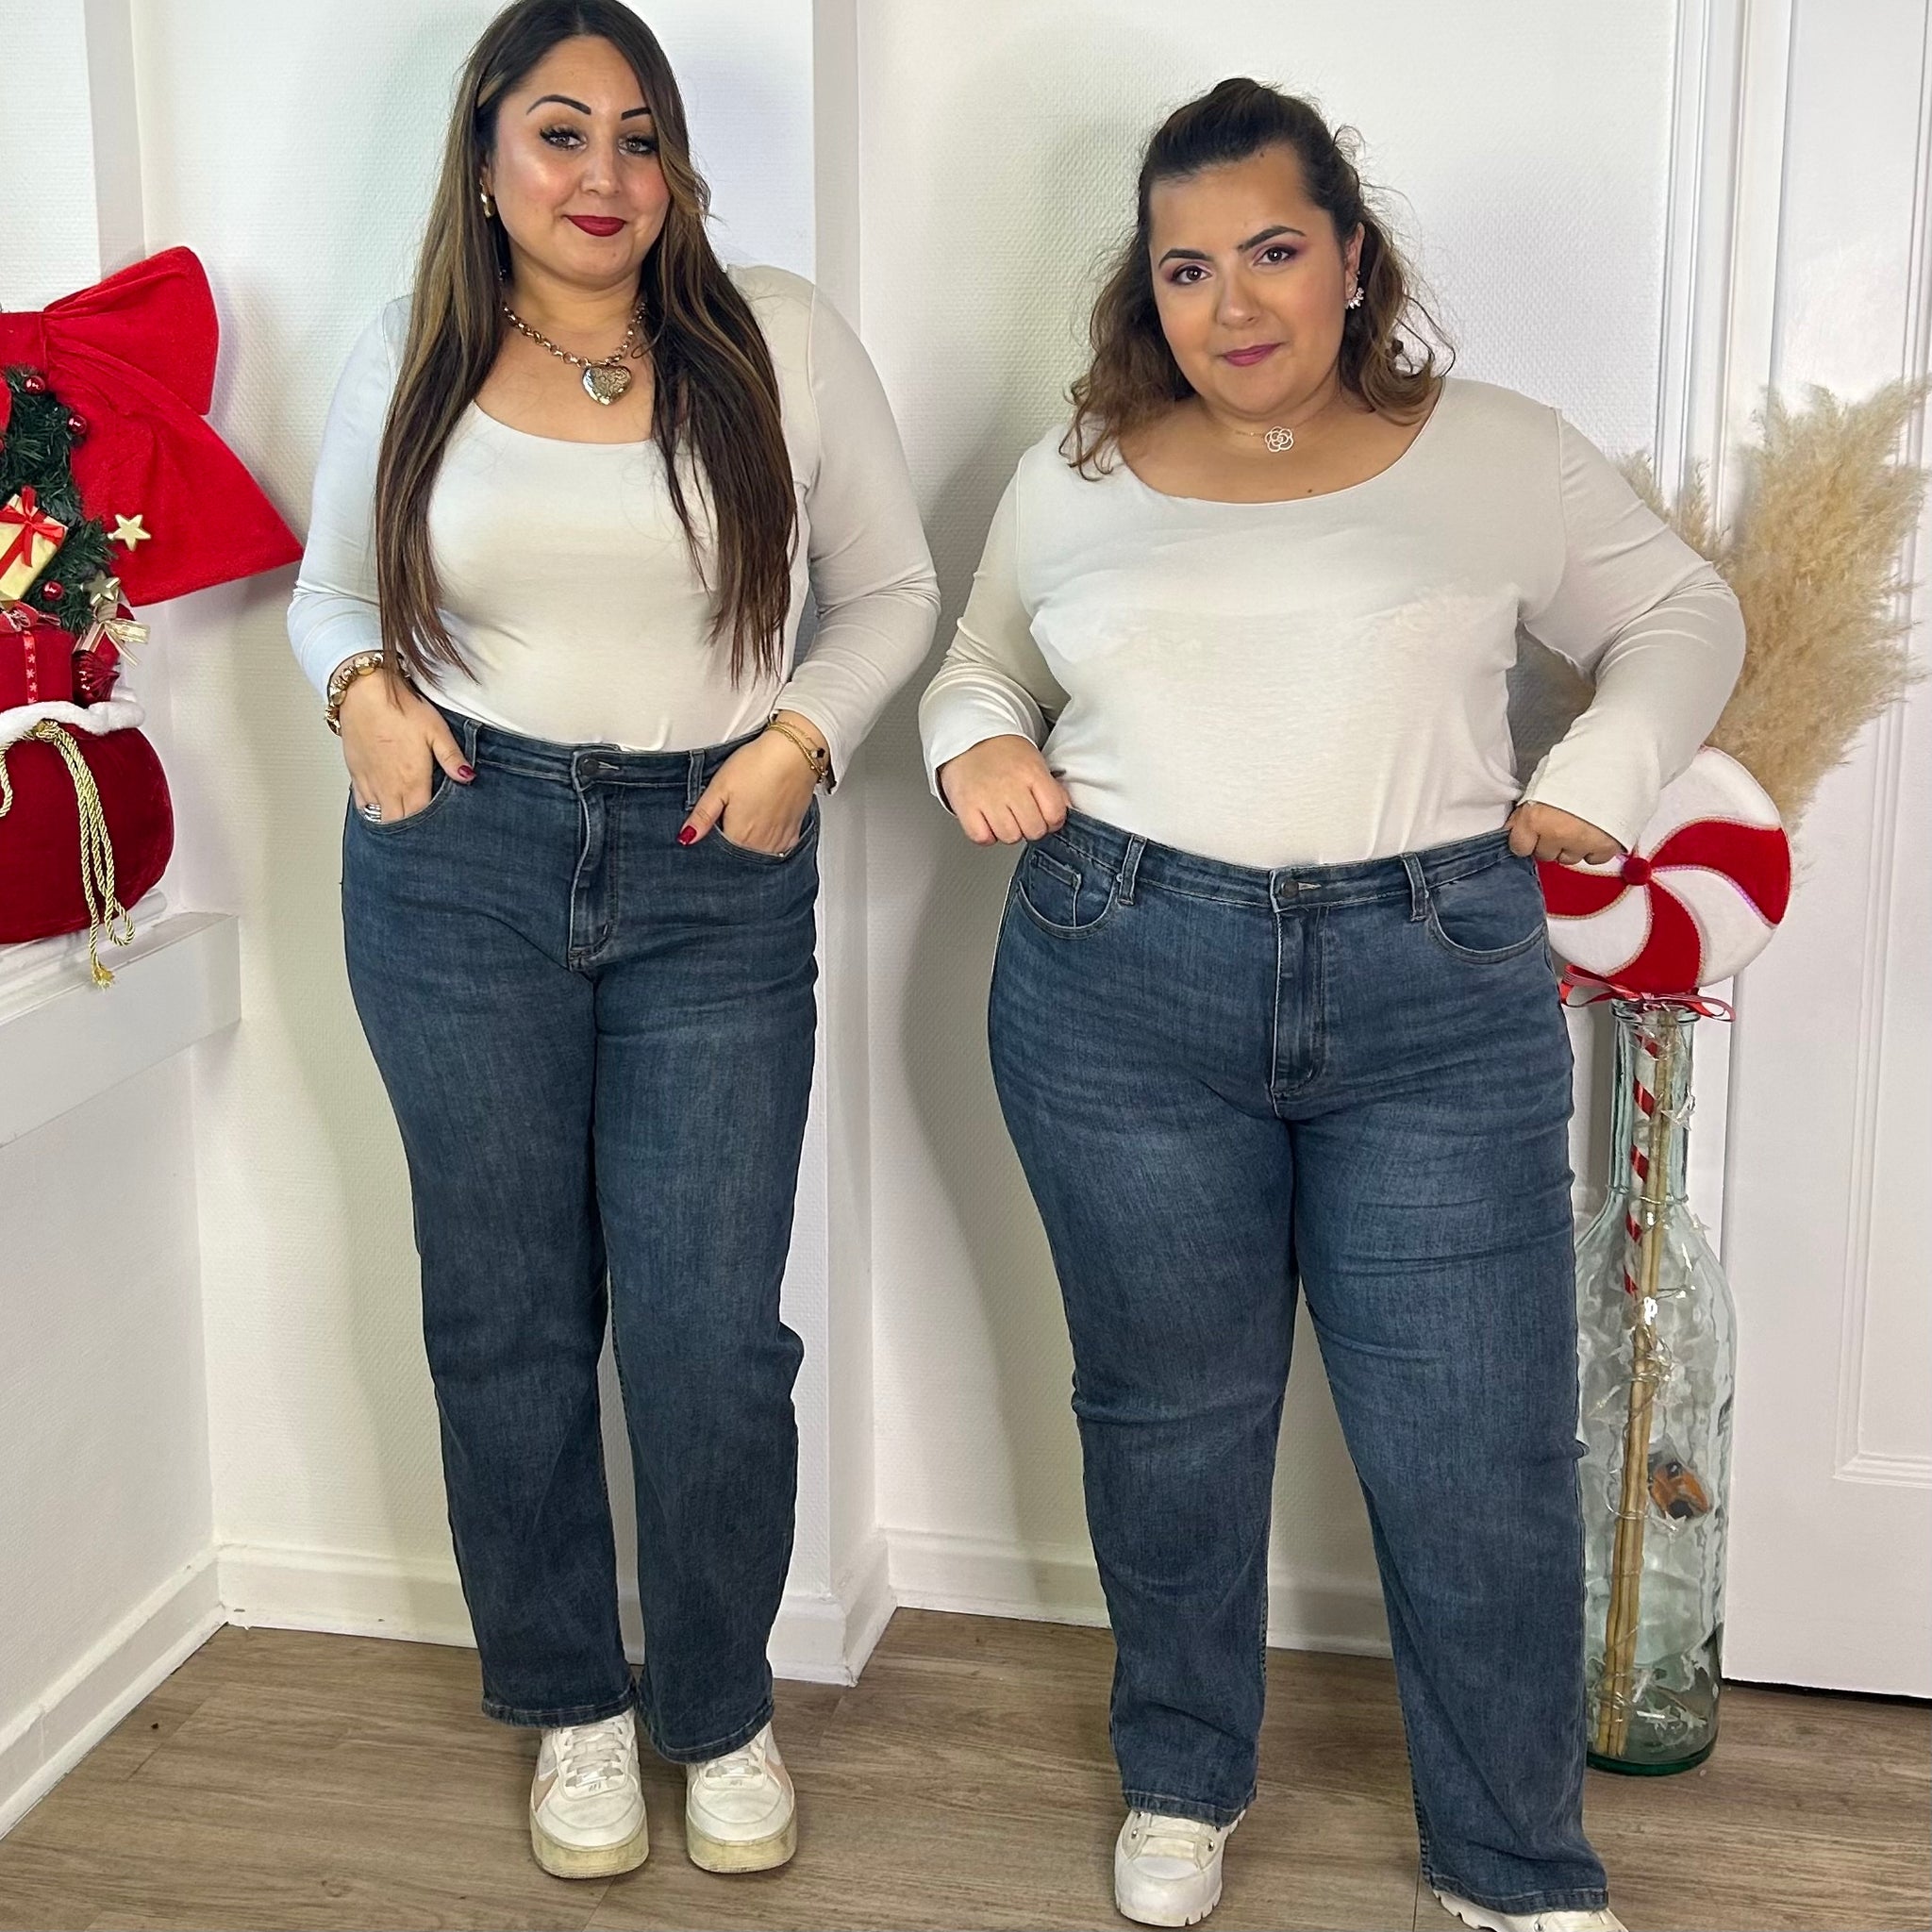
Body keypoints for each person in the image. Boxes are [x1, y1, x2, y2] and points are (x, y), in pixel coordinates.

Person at [920, 78, 1740, 1932]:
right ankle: (1181, 1777)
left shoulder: (1499, 452)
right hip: (1119, 978)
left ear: (1351, 258)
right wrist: (974, 740)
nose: (1232, 303)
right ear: (1148, 286)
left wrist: (1604, 772)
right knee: (1167, 1415)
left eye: (1273, 251)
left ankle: (1512, 1863)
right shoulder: (1077, 472)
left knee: (1474, 1447)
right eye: (1187, 267)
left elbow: (1686, 615)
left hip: (1431, 989)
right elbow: (978, 657)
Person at [288, 0, 935, 1883]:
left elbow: (893, 591)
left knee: (709, 1334)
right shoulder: (414, 349)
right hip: (457, 859)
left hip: (712, 869)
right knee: (504, 1315)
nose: (603, 174)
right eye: (560, 133)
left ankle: (717, 1709)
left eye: (638, 136)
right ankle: (572, 1702)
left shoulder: (777, 338)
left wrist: (800, 739)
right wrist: (360, 694)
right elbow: (333, 586)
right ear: (487, 156)